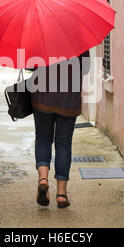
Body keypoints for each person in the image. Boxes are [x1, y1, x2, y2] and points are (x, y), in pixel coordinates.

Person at [28, 50, 90, 208]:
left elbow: (29, 64)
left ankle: (43, 179)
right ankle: (61, 194)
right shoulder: (79, 37)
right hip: (68, 100)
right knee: (63, 144)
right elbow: (86, 67)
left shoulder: (39, 32)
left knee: (43, 138)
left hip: (43, 97)